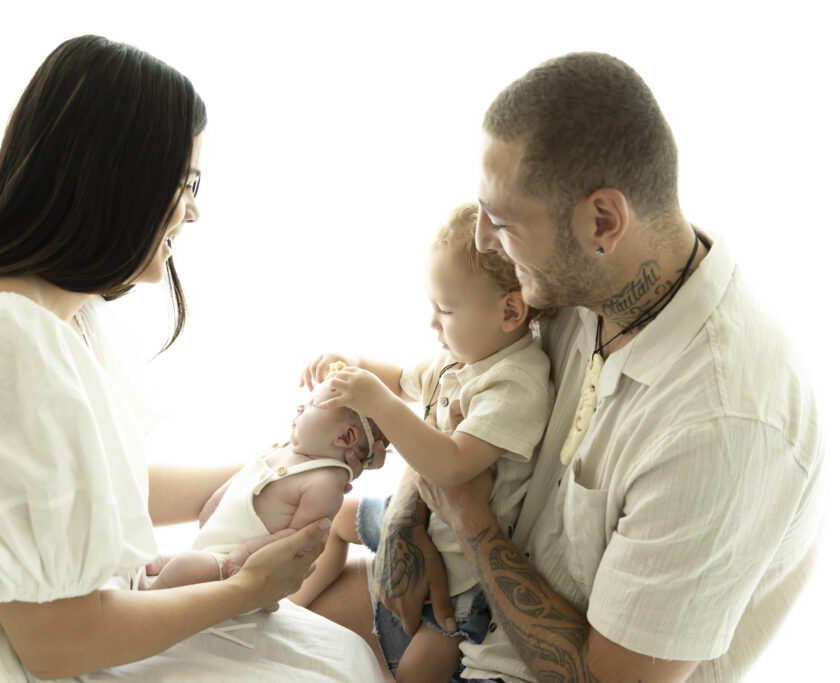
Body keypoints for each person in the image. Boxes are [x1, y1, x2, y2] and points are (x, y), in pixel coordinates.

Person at [0, 35, 384, 682]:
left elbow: (66, 494)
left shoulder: (47, 302)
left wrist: (281, 465)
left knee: (336, 656)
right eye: (186, 182)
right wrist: (240, 588)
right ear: (120, 181)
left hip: (32, 625)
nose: (194, 211)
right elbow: (56, 642)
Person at [312, 52, 825, 682]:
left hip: (527, 668)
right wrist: (405, 516)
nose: (482, 242)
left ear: (602, 222)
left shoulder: (722, 423)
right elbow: (456, 400)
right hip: (472, 605)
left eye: (501, 223)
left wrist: (467, 518)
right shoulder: (582, 286)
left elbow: (608, 679)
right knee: (257, 626)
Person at [291, 202, 554, 682]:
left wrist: (380, 406)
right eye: (432, 306)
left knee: (414, 674)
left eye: (446, 309)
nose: (433, 323)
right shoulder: (458, 359)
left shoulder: (516, 383)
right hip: (420, 522)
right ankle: (287, 608)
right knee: (329, 521)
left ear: (510, 311)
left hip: (462, 581)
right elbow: (397, 378)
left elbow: (453, 466)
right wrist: (352, 361)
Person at [125, 379, 388, 593]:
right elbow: (246, 475)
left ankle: (149, 598)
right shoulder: (290, 448)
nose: (299, 407)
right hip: (214, 548)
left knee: (184, 567)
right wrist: (216, 500)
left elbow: (299, 538)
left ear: (345, 436)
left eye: (313, 405)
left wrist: (246, 553)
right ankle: (156, 572)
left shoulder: (325, 481)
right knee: (166, 559)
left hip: (236, 564)